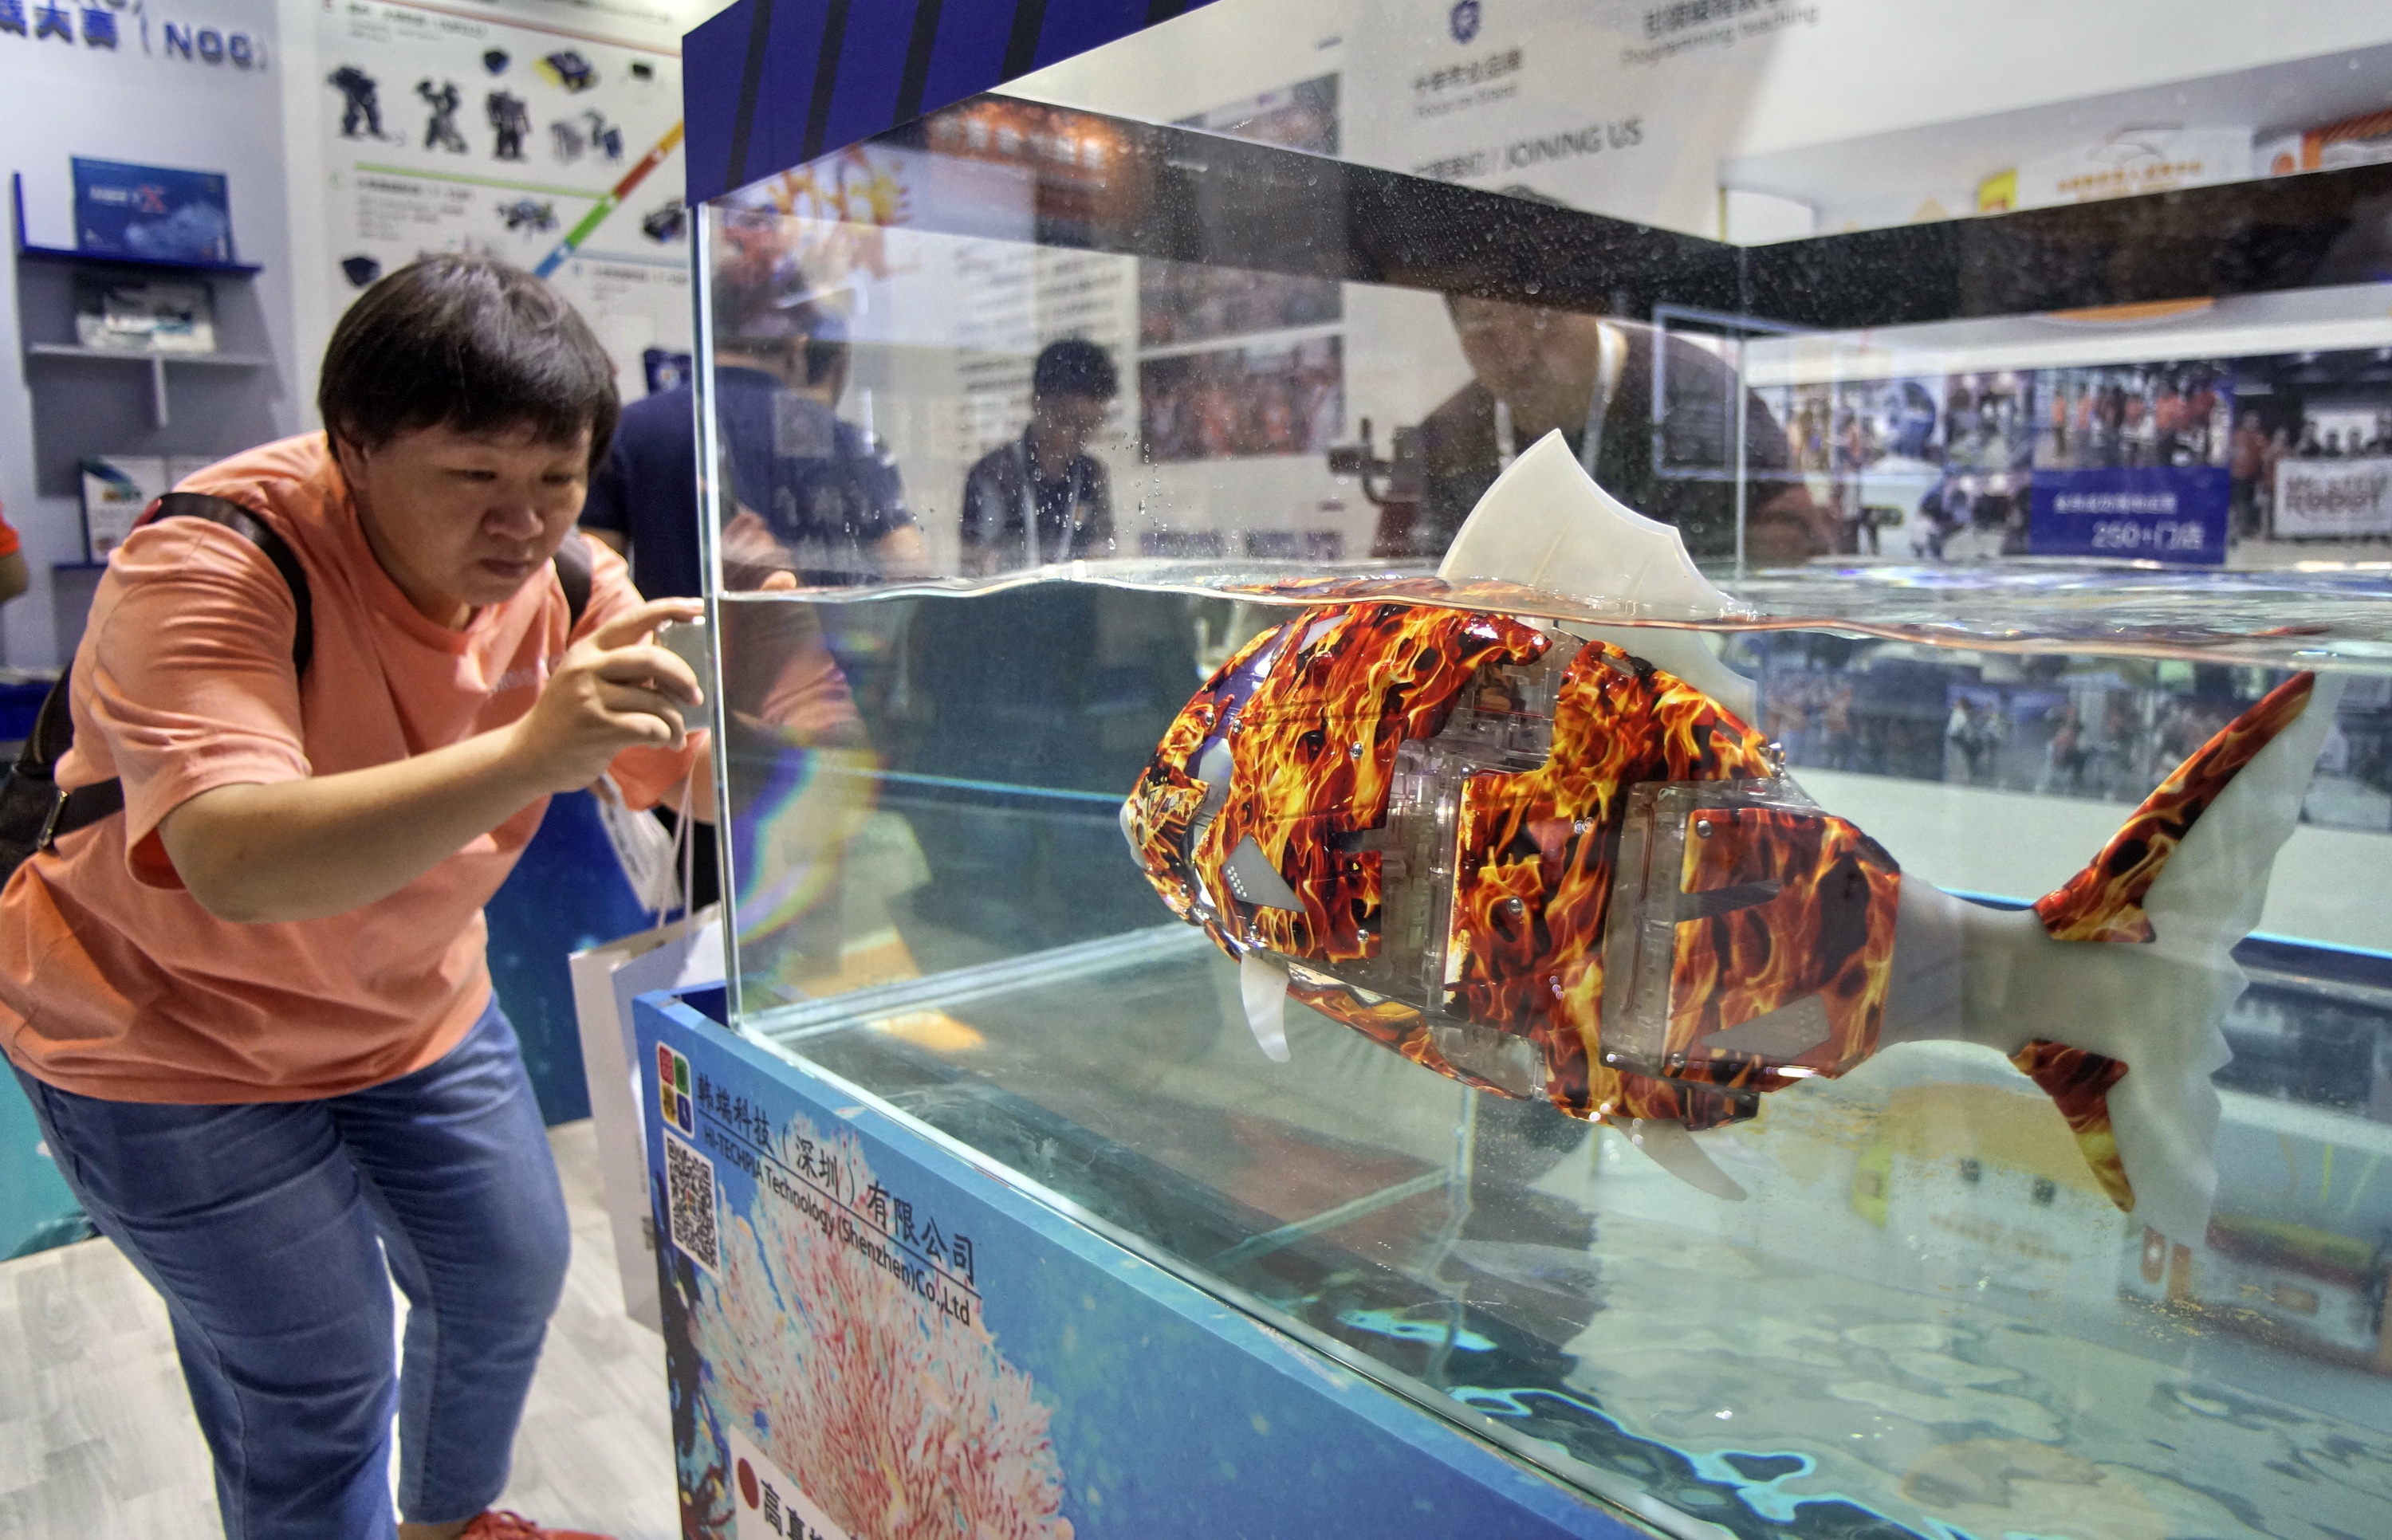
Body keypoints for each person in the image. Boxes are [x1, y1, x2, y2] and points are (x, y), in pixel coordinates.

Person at [0, 256, 710, 1540]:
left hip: (409, 1008)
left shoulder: (568, 586)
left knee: (505, 1274)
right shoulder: (213, 560)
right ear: (354, 447)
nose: (522, 525)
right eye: (473, 477)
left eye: (557, 481)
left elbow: (698, 780)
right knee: (317, 1377)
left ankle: (446, 1525)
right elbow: (236, 861)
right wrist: (530, 753)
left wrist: (785, 701)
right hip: (161, 1032)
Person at [1394, 289, 1837, 565]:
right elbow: (1400, 571)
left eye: (1544, 319)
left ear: (1595, 308)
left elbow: (1793, 545)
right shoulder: (1446, 435)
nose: (1520, 353)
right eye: (1486, 327)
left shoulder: (1704, 395)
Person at [959, 338, 1119, 573]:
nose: (1081, 436)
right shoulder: (994, 473)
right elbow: (977, 565)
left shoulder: (1092, 474)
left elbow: (1103, 553)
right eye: (1069, 422)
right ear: (1037, 405)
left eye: (1092, 424)